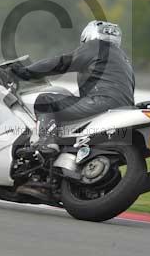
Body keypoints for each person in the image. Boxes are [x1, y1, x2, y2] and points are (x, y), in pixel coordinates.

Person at [11, 20, 135, 156]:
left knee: (45, 100)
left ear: (88, 35)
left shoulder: (96, 46)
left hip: (101, 102)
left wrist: (26, 72)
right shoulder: (124, 59)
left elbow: (62, 63)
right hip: (126, 109)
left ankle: (46, 142)